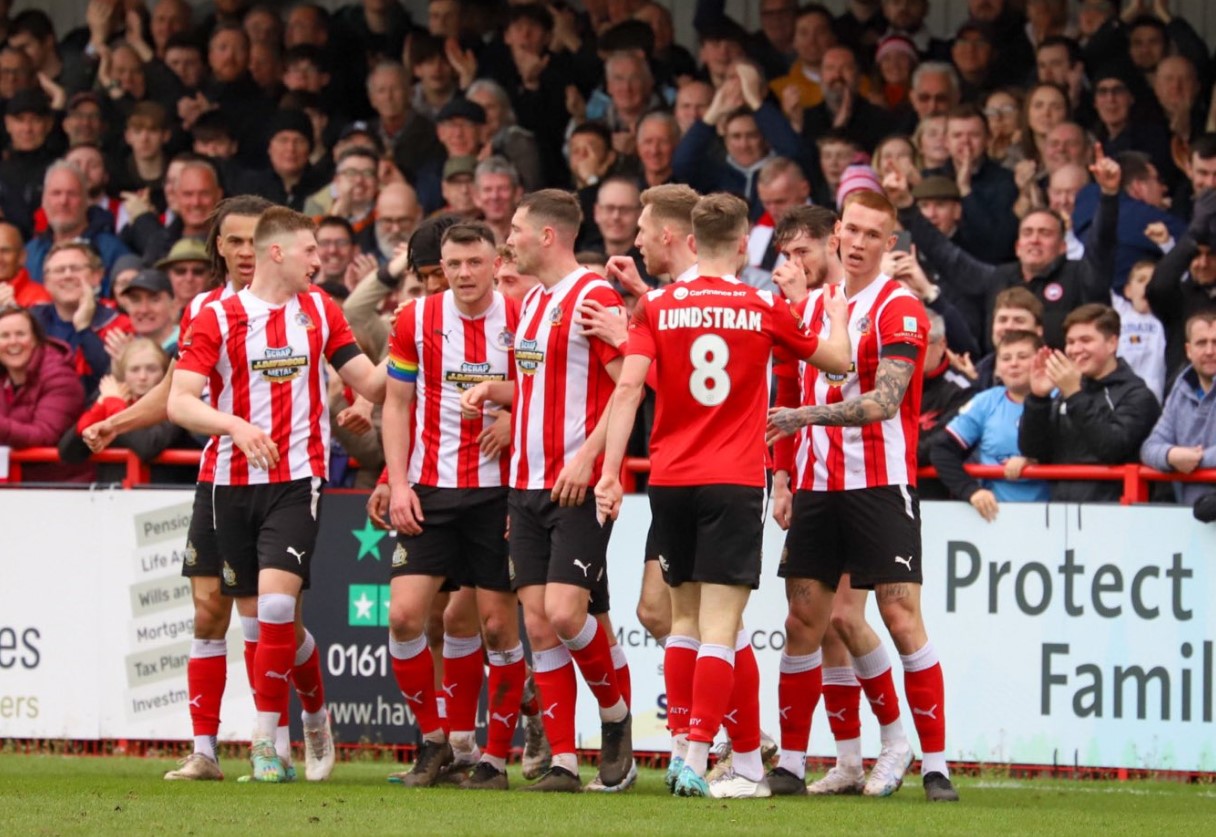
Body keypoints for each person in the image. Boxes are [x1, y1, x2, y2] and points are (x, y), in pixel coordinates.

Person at [594, 192, 849, 799]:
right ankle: (698, 754)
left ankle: (684, 743)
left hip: (671, 479)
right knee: (720, 627)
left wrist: (610, 472)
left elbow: (628, 391)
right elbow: (836, 361)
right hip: (733, 480)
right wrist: (834, 316)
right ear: (741, 244)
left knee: (681, 620)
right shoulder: (761, 304)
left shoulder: (655, 304)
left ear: (689, 240)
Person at [167, 206, 385, 783]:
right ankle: (313, 710)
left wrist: (409, 341)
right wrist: (235, 426)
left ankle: (267, 746)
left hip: (296, 478)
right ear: (279, 253)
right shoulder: (218, 315)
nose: (321, 260)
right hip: (229, 484)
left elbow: (373, 382)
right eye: (311, 250)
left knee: (278, 607)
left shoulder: (319, 309)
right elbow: (179, 400)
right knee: (260, 624)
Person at [766, 189, 960, 803]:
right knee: (806, 620)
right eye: (850, 230)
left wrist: (804, 417)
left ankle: (935, 766)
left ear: (889, 244)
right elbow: (786, 379)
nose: (856, 242)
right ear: (837, 234)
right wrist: (784, 473)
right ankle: (792, 764)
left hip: (880, 485)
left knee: (901, 618)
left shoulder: (900, 308)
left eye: (872, 235)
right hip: (819, 487)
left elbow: (885, 402)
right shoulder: (815, 306)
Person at [459, 189, 632, 792]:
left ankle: (615, 718)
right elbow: (541, 385)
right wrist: (494, 389)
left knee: (564, 613)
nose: (508, 238)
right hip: (525, 485)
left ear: (548, 236)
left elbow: (627, 387)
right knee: (537, 627)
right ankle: (563, 761)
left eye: (515, 229)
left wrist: (589, 460)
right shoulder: (533, 304)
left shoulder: (594, 296)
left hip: (576, 485)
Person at [380, 221, 525, 790]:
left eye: (475, 262)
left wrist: (513, 415)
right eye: (454, 264)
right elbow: (396, 404)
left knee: (494, 628)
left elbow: (549, 387)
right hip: (430, 489)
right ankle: (435, 741)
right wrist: (396, 482)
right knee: (404, 616)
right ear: (442, 267)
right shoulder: (416, 319)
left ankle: (491, 758)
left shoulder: (519, 318)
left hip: (498, 493)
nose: (465, 273)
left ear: (495, 263)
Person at [888, 144, 1122, 352]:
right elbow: (949, 257)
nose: (1035, 240)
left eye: (1045, 233)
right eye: (1028, 233)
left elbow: (1101, 246)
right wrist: (906, 207)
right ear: (1017, 246)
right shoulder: (999, 277)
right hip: (999, 383)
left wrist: (1109, 195)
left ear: (1063, 246)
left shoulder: (1080, 274)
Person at [1019, 303, 1161, 503]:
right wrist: (1038, 399)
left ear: (1112, 343)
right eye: (1070, 342)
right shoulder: (1066, 392)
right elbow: (1035, 451)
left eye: (1086, 340)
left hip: (1115, 515)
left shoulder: (1137, 395)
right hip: (1062, 512)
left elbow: (1112, 449)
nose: (1075, 349)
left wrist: (1075, 395)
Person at [931, 330, 1051, 521]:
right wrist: (971, 490)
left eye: (1022, 357)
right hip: (995, 516)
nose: (1013, 363)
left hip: (1055, 514)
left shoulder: (1060, 398)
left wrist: (1036, 461)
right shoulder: (986, 401)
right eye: (1005, 358)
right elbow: (941, 449)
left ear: (1042, 360)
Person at [1140, 310, 1216, 516]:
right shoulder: (1180, 390)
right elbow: (1149, 448)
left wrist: (1193, 459)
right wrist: (1171, 455)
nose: (1210, 350)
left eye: (1215, 342)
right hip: (1187, 520)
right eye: (1201, 343)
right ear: (1188, 350)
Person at [0, 304, 86, 483]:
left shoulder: (60, 376)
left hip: (62, 490)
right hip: (16, 487)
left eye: (20, 334)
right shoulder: (3, 375)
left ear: (36, 339)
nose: (13, 342)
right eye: (4, 336)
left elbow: (44, 434)